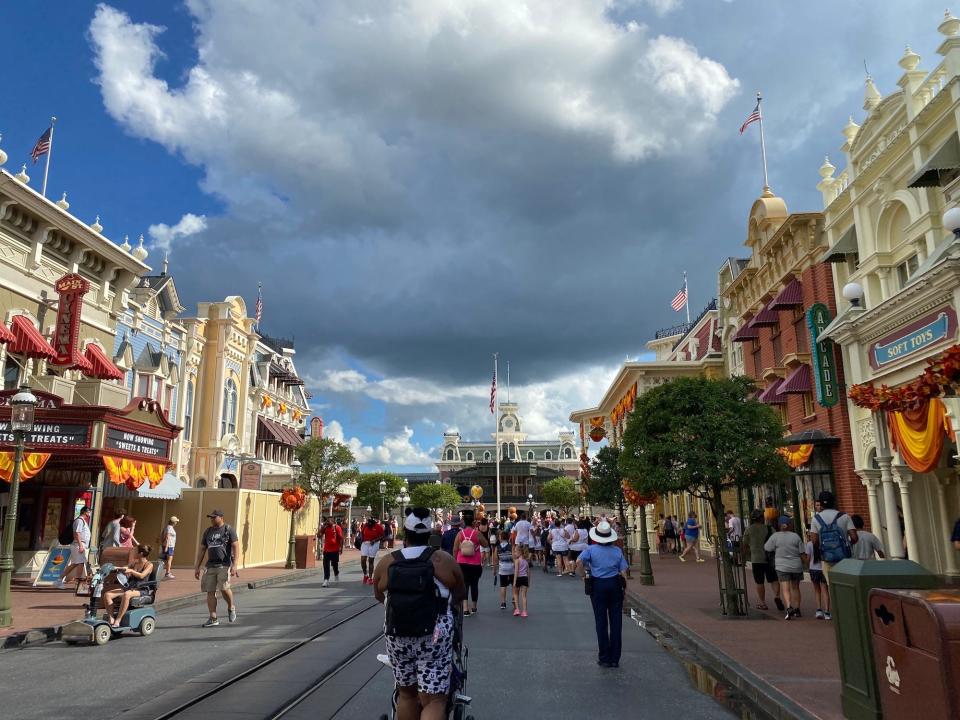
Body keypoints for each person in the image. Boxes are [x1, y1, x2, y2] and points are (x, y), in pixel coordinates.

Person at [373, 507, 466, 720]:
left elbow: (379, 595)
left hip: (398, 632)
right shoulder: (443, 560)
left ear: (405, 534)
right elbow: (460, 594)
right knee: (434, 700)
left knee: (406, 694)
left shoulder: (388, 562)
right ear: (430, 535)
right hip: (434, 635)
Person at [576, 520, 628, 668]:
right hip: (614, 584)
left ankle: (604, 657)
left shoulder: (591, 550)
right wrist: (625, 591)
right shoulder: (617, 551)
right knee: (616, 622)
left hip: (598, 584)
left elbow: (578, 562)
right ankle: (615, 658)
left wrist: (583, 576)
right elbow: (623, 572)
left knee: (601, 622)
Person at [194, 510, 239, 627]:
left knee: (224, 588)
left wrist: (235, 565)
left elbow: (235, 546)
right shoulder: (208, 531)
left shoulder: (228, 529)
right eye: (211, 518)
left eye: (214, 517)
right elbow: (203, 549)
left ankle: (231, 607)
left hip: (224, 564)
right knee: (210, 591)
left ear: (221, 517)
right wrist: (197, 566)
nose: (212, 519)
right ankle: (213, 618)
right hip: (210, 566)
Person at [764, 516, 806, 620]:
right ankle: (797, 609)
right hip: (796, 565)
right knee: (795, 587)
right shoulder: (795, 536)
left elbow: (767, 548)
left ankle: (788, 607)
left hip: (782, 566)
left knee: (785, 588)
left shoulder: (775, 536)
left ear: (779, 525)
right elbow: (802, 552)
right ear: (789, 525)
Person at [809, 490, 858, 580]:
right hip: (845, 557)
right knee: (847, 582)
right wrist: (848, 544)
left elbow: (814, 541)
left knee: (832, 585)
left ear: (821, 504)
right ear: (833, 502)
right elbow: (854, 537)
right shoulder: (844, 516)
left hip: (828, 558)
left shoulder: (816, 519)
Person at [103, 544, 154, 627]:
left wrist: (131, 571)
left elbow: (142, 576)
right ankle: (111, 618)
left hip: (141, 589)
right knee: (107, 594)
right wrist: (113, 568)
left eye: (135, 551)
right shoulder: (135, 563)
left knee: (127, 594)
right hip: (130, 587)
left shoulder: (149, 565)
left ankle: (118, 620)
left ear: (140, 553)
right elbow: (125, 568)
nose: (133, 553)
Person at [741, 510, 783, 611]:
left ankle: (762, 602)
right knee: (774, 579)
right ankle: (777, 596)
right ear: (761, 518)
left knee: (759, 581)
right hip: (770, 559)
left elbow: (744, 545)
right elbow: (777, 541)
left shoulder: (749, 530)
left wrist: (743, 557)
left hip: (756, 559)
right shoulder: (770, 528)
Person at [453, 510, 488, 616]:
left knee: (464, 585)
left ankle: (465, 609)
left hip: (461, 562)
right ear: (473, 523)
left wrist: (455, 561)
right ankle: (474, 607)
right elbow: (486, 544)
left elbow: (455, 549)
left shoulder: (460, 534)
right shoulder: (477, 533)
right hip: (475, 563)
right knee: (474, 585)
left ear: (463, 523)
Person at [58, 505, 92, 588]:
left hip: (80, 544)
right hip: (78, 545)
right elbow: (76, 533)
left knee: (77, 563)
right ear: (85, 512)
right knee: (78, 563)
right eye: (89, 511)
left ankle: (61, 580)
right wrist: (80, 545)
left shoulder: (82, 521)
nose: (90, 513)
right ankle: (76, 583)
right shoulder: (80, 521)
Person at [805, 530, 830, 620]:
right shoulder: (824, 543)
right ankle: (827, 611)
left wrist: (807, 566)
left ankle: (819, 610)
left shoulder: (809, 544)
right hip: (823, 569)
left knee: (817, 590)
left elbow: (808, 559)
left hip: (813, 569)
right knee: (825, 590)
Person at [492, 530, 515, 610]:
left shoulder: (497, 548)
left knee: (503, 585)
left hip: (502, 569)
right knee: (513, 584)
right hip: (511, 568)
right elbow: (514, 558)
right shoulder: (511, 547)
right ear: (508, 537)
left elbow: (495, 560)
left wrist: (494, 570)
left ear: (500, 538)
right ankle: (514, 598)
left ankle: (503, 602)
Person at [319, 516, 344, 587]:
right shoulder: (325, 528)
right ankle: (326, 579)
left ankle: (336, 573)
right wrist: (322, 528)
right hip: (326, 550)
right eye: (327, 520)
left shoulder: (337, 528)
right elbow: (319, 535)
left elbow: (341, 538)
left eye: (329, 520)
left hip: (335, 550)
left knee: (334, 564)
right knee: (326, 565)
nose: (327, 522)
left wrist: (341, 548)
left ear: (332, 521)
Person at [360, 516, 385, 585]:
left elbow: (383, 535)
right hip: (365, 543)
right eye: (368, 524)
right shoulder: (366, 525)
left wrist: (375, 540)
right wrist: (362, 539)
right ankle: (365, 575)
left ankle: (370, 578)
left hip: (374, 544)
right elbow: (362, 533)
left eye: (371, 525)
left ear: (374, 524)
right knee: (363, 559)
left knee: (371, 560)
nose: (369, 526)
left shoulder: (378, 526)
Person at [513, 545, 531, 618]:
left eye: (515, 551)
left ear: (519, 552)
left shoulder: (517, 561)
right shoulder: (526, 561)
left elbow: (516, 571)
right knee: (524, 596)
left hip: (519, 578)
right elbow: (529, 572)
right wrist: (528, 582)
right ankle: (524, 611)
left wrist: (514, 582)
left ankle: (517, 609)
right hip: (525, 578)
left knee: (516, 594)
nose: (514, 553)